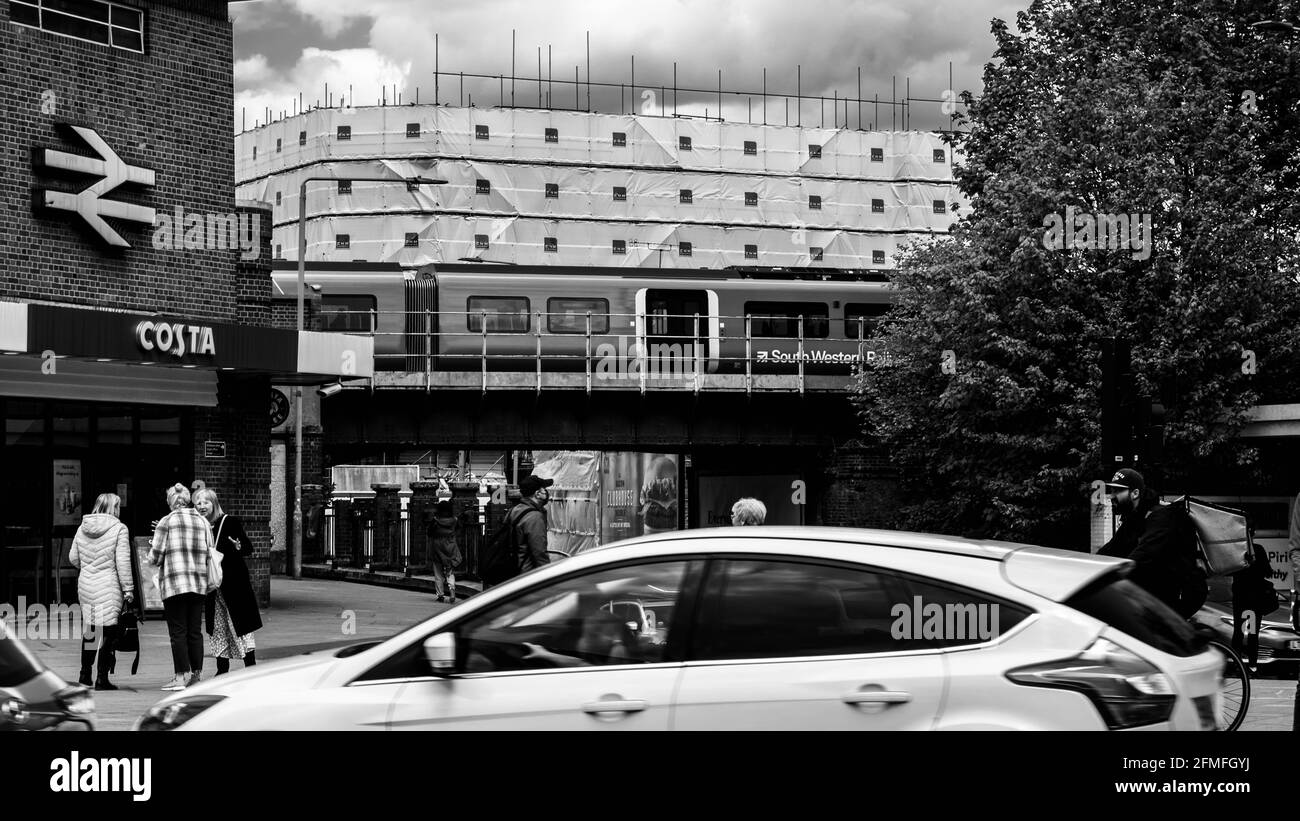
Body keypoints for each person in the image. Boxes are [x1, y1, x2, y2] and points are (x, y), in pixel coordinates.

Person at [1099, 468, 1206, 618]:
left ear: (1135, 493)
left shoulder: (1162, 516)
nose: (1112, 496)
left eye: (1117, 491)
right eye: (1111, 491)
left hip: (1181, 596)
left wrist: (1112, 578)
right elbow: (1112, 549)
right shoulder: (1134, 519)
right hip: (1155, 595)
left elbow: (1143, 555)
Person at [148, 483, 213, 691]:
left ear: (170, 502)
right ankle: (196, 675)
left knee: (178, 632)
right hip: (198, 583)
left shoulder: (166, 522)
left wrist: (152, 549)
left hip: (175, 583)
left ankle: (180, 677)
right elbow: (210, 550)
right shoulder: (203, 521)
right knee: (194, 631)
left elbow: (155, 557)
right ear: (188, 500)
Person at [69, 493, 135, 691]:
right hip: (109, 584)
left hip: (86, 584)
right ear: (114, 508)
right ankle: (102, 678)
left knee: (92, 629)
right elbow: (122, 561)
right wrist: (128, 589)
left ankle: (84, 674)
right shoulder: (119, 528)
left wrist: (88, 566)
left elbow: (73, 558)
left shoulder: (83, 527)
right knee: (109, 630)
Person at [194, 489, 262, 675]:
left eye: (205, 502)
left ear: (214, 504)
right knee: (218, 627)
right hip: (213, 586)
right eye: (198, 503)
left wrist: (238, 547)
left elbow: (248, 548)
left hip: (233, 584)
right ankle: (222, 669)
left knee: (240, 626)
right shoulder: (199, 527)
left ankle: (250, 667)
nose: (201, 506)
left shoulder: (229, 522)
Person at [521, 610, 638, 668]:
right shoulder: (597, 649)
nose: (584, 640)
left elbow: (585, 667)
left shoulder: (618, 652)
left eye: (591, 635)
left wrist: (545, 654)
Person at [1230, 538, 1275, 671]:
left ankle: (1237, 665)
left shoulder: (1236, 549)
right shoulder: (1258, 549)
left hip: (1240, 598)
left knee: (1238, 632)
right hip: (1255, 600)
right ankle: (1252, 665)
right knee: (1253, 633)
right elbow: (1268, 572)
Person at [512, 475, 553, 574]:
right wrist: (549, 576)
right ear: (537, 494)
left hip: (515, 570)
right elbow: (539, 552)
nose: (546, 492)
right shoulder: (534, 517)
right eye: (544, 489)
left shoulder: (516, 510)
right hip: (528, 574)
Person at [427, 500, 462, 603]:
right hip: (450, 545)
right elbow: (459, 529)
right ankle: (452, 590)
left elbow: (429, 532)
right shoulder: (454, 520)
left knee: (438, 573)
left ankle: (440, 595)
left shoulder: (435, 520)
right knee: (449, 570)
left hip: (437, 546)